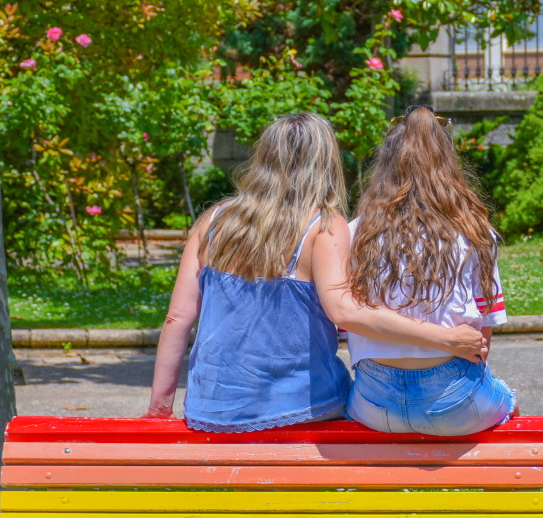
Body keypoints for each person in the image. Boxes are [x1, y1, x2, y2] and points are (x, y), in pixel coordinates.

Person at [145, 112, 486, 431]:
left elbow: (177, 319)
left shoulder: (213, 220)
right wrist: (445, 338)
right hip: (302, 410)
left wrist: (159, 411)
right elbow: (345, 312)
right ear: (325, 162)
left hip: (209, 412)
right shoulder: (323, 226)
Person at [341, 105, 516, 437]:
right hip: (456, 403)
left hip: (372, 405)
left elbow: (342, 328)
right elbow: (482, 341)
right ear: (448, 165)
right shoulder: (475, 232)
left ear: (386, 166)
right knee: (509, 401)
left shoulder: (354, 233)